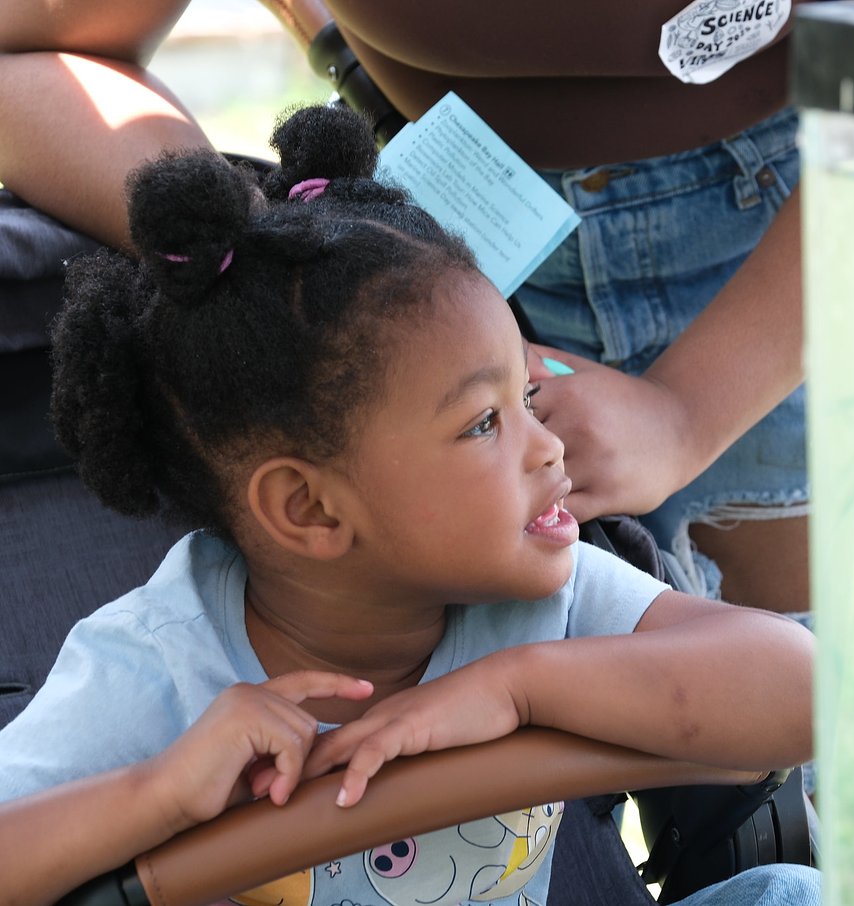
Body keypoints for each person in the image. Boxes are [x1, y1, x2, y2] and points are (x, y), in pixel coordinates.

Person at [0, 104, 817, 906]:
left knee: (790, 893)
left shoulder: (543, 603)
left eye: (530, 395)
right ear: (311, 510)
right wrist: (157, 793)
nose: (548, 445)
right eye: (484, 423)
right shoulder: (160, 670)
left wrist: (518, 689)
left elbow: (805, 690)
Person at [0, 0, 813, 614]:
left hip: (798, 262)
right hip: (415, 257)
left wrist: (689, 412)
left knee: (805, 754)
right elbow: (44, 45)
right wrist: (261, 251)